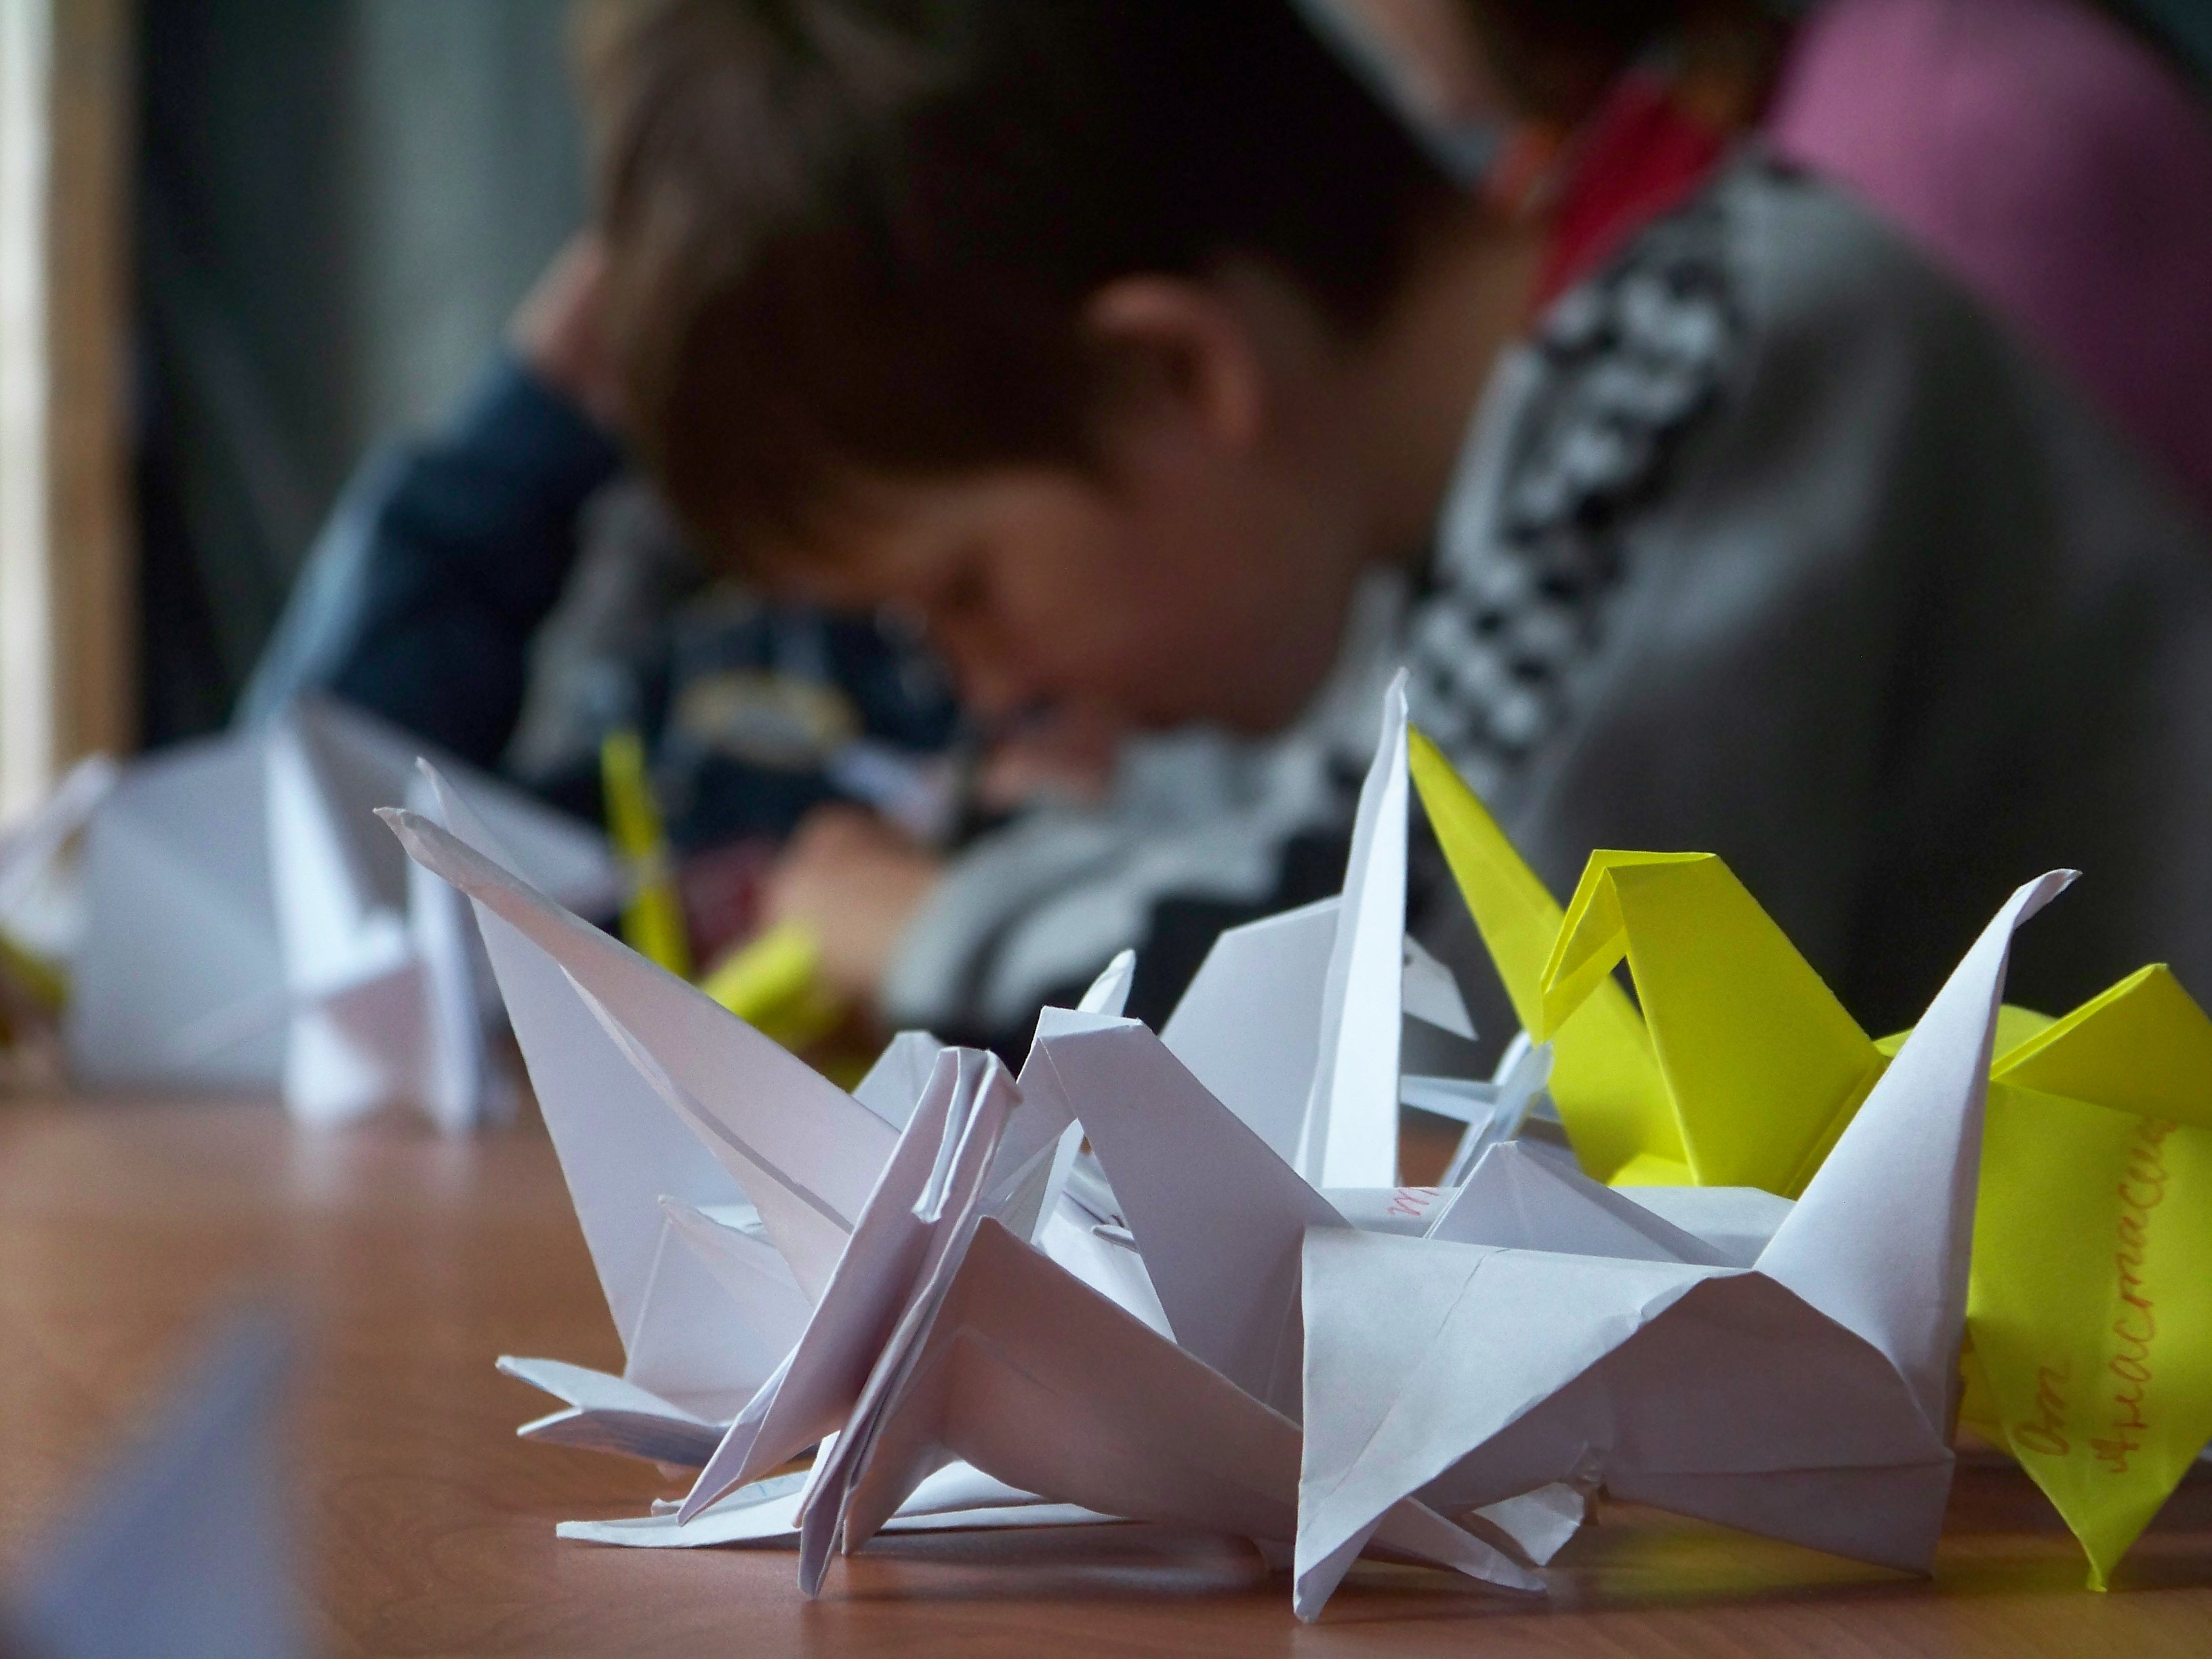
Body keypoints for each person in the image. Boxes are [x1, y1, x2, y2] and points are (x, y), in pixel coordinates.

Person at [577, 0, 2212, 1049]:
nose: (986, 685)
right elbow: (1315, 850)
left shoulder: (1709, 351)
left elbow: (1443, 1023)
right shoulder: (1484, 485)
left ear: (1172, 374)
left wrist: (942, 929)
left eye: (968, 593)